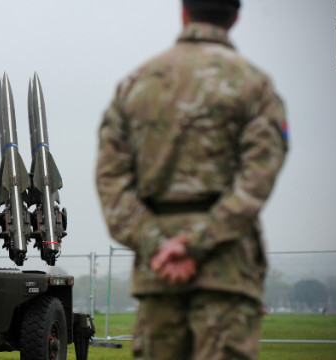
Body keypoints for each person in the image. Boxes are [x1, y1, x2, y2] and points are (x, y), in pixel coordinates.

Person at [95, 0, 288, 359]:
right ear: (235, 17)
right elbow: (258, 175)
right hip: (227, 270)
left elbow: (111, 181)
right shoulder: (255, 86)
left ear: (184, 12)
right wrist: (199, 240)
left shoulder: (135, 85)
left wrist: (157, 243)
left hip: (158, 275)